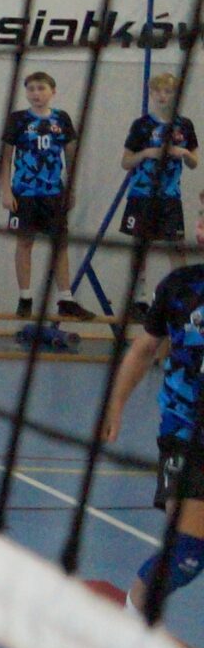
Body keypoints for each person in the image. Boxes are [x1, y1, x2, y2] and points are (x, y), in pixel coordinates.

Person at [97, 228, 204, 619]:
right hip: (184, 433)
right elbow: (144, 349)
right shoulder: (180, 286)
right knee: (187, 553)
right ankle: (129, 622)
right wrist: (115, 404)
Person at [0, 71, 87, 322]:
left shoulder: (61, 119)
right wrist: (6, 190)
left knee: (59, 244)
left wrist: (70, 189)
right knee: (25, 243)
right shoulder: (18, 119)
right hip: (24, 193)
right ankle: (25, 297)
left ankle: (66, 298)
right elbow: (5, 157)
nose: (36, 94)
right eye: (31, 89)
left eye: (41, 88)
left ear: (52, 91)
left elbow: (70, 156)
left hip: (53, 193)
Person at [121, 72, 197, 302]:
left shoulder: (184, 125)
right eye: (157, 91)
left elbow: (194, 162)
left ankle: (181, 298)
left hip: (170, 196)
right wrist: (146, 153)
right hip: (142, 195)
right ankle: (139, 299)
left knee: (176, 248)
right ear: (151, 94)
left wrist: (184, 153)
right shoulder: (142, 125)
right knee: (140, 247)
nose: (162, 96)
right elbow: (126, 162)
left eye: (168, 91)